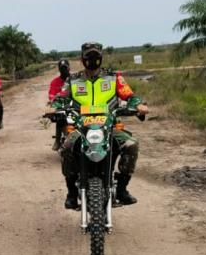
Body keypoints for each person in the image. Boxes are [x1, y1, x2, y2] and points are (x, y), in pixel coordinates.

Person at [55, 43, 149, 209]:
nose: (92, 60)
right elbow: (60, 98)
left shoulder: (114, 78)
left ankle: (121, 189)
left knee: (131, 145)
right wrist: (53, 107)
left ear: (101, 58)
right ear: (82, 59)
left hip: (109, 126)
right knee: (67, 147)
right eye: (88, 56)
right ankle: (71, 192)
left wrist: (138, 105)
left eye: (95, 56)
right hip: (81, 127)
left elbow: (130, 95)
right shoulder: (73, 80)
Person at [47, 58, 72, 150]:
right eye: (62, 68)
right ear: (59, 69)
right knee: (60, 117)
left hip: (74, 104)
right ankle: (57, 140)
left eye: (65, 68)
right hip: (61, 105)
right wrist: (52, 99)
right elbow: (51, 95)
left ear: (69, 68)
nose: (64, 70)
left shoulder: (75, 80)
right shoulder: (55, 82)